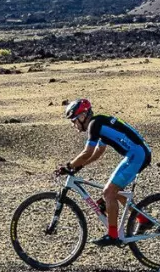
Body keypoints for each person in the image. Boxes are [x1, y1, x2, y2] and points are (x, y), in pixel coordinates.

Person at [57, 98, 152, 247]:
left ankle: (113, 236)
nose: (73, 124)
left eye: (74, 120)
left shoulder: (94, 125)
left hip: (137, 155)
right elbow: (97, 152)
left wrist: (68, 166)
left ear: (82, 116)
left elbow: (87, 152)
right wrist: (79, 166)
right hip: (137, 153)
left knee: (108, 192)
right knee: (112, 191)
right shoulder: (99, 123)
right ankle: (143, 219)